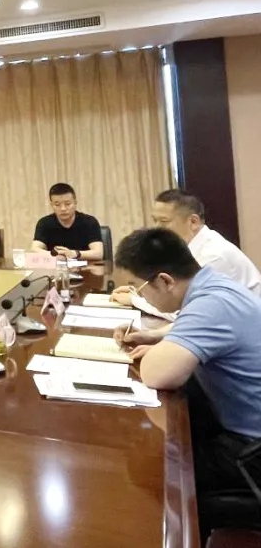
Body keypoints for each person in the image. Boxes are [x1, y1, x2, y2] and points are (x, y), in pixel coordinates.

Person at [111, 228, 261, 537]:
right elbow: (194, 325)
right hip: (245, 426)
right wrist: (156, 337)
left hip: (251, 450)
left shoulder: (210, 306)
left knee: (154, 473)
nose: (139, 297)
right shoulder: (215, 286)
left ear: (165, 281)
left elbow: (157, 374)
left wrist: (160, 352)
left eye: (139, 289)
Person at [113, 190, 260, 306]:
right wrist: (141, 292)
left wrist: (136, 301)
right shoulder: (186, 247)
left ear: (193, 222)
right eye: (155, 220)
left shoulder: (214, 255)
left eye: (164, 221)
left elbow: (187, 307)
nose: (156, 228)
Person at [31, 183, 104, 261]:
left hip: (86, 267)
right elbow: (34, 249)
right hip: (56, 267)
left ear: (75, 203)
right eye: (57, 205)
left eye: (67, 204)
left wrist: (75, 254)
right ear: (51, 205)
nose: (63, 208)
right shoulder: (44, 223)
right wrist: (55, 255)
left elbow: (98, 253)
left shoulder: (89, 222)